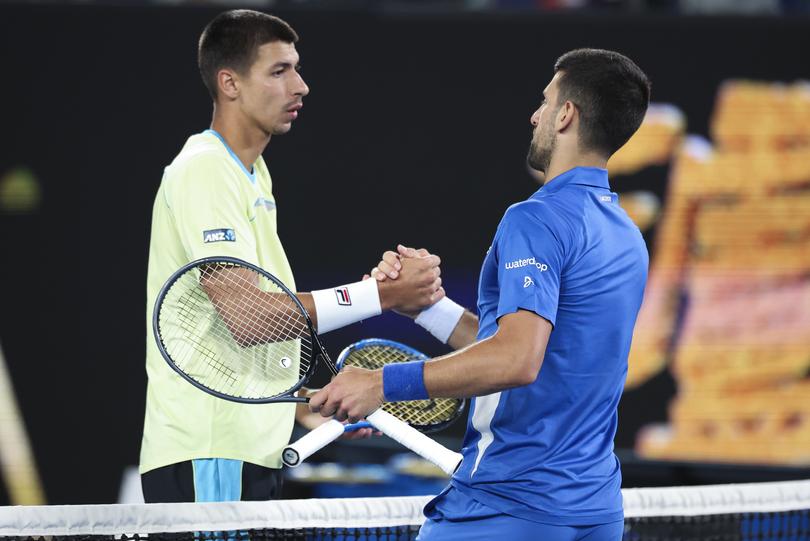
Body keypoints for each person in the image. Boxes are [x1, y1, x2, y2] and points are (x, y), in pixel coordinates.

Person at [311, 48, 651, 540]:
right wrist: (429, 310)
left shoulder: (534, 219)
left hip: (505, 506)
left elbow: (516, 359)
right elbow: (539, 352)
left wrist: (381, 384)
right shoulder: (626, 235)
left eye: (545, 101)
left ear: (566, 115)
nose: (535, 115)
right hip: (594, 510)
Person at [139, 9, 443, 504]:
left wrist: (305, 408)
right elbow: (249, 318)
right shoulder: (205, 170)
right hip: (212, 451)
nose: (300, 86)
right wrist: (382, 295)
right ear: (229, 83)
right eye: (279, 71)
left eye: (297, 69)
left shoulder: (253, 174)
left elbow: (236, 342)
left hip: (251, 448)